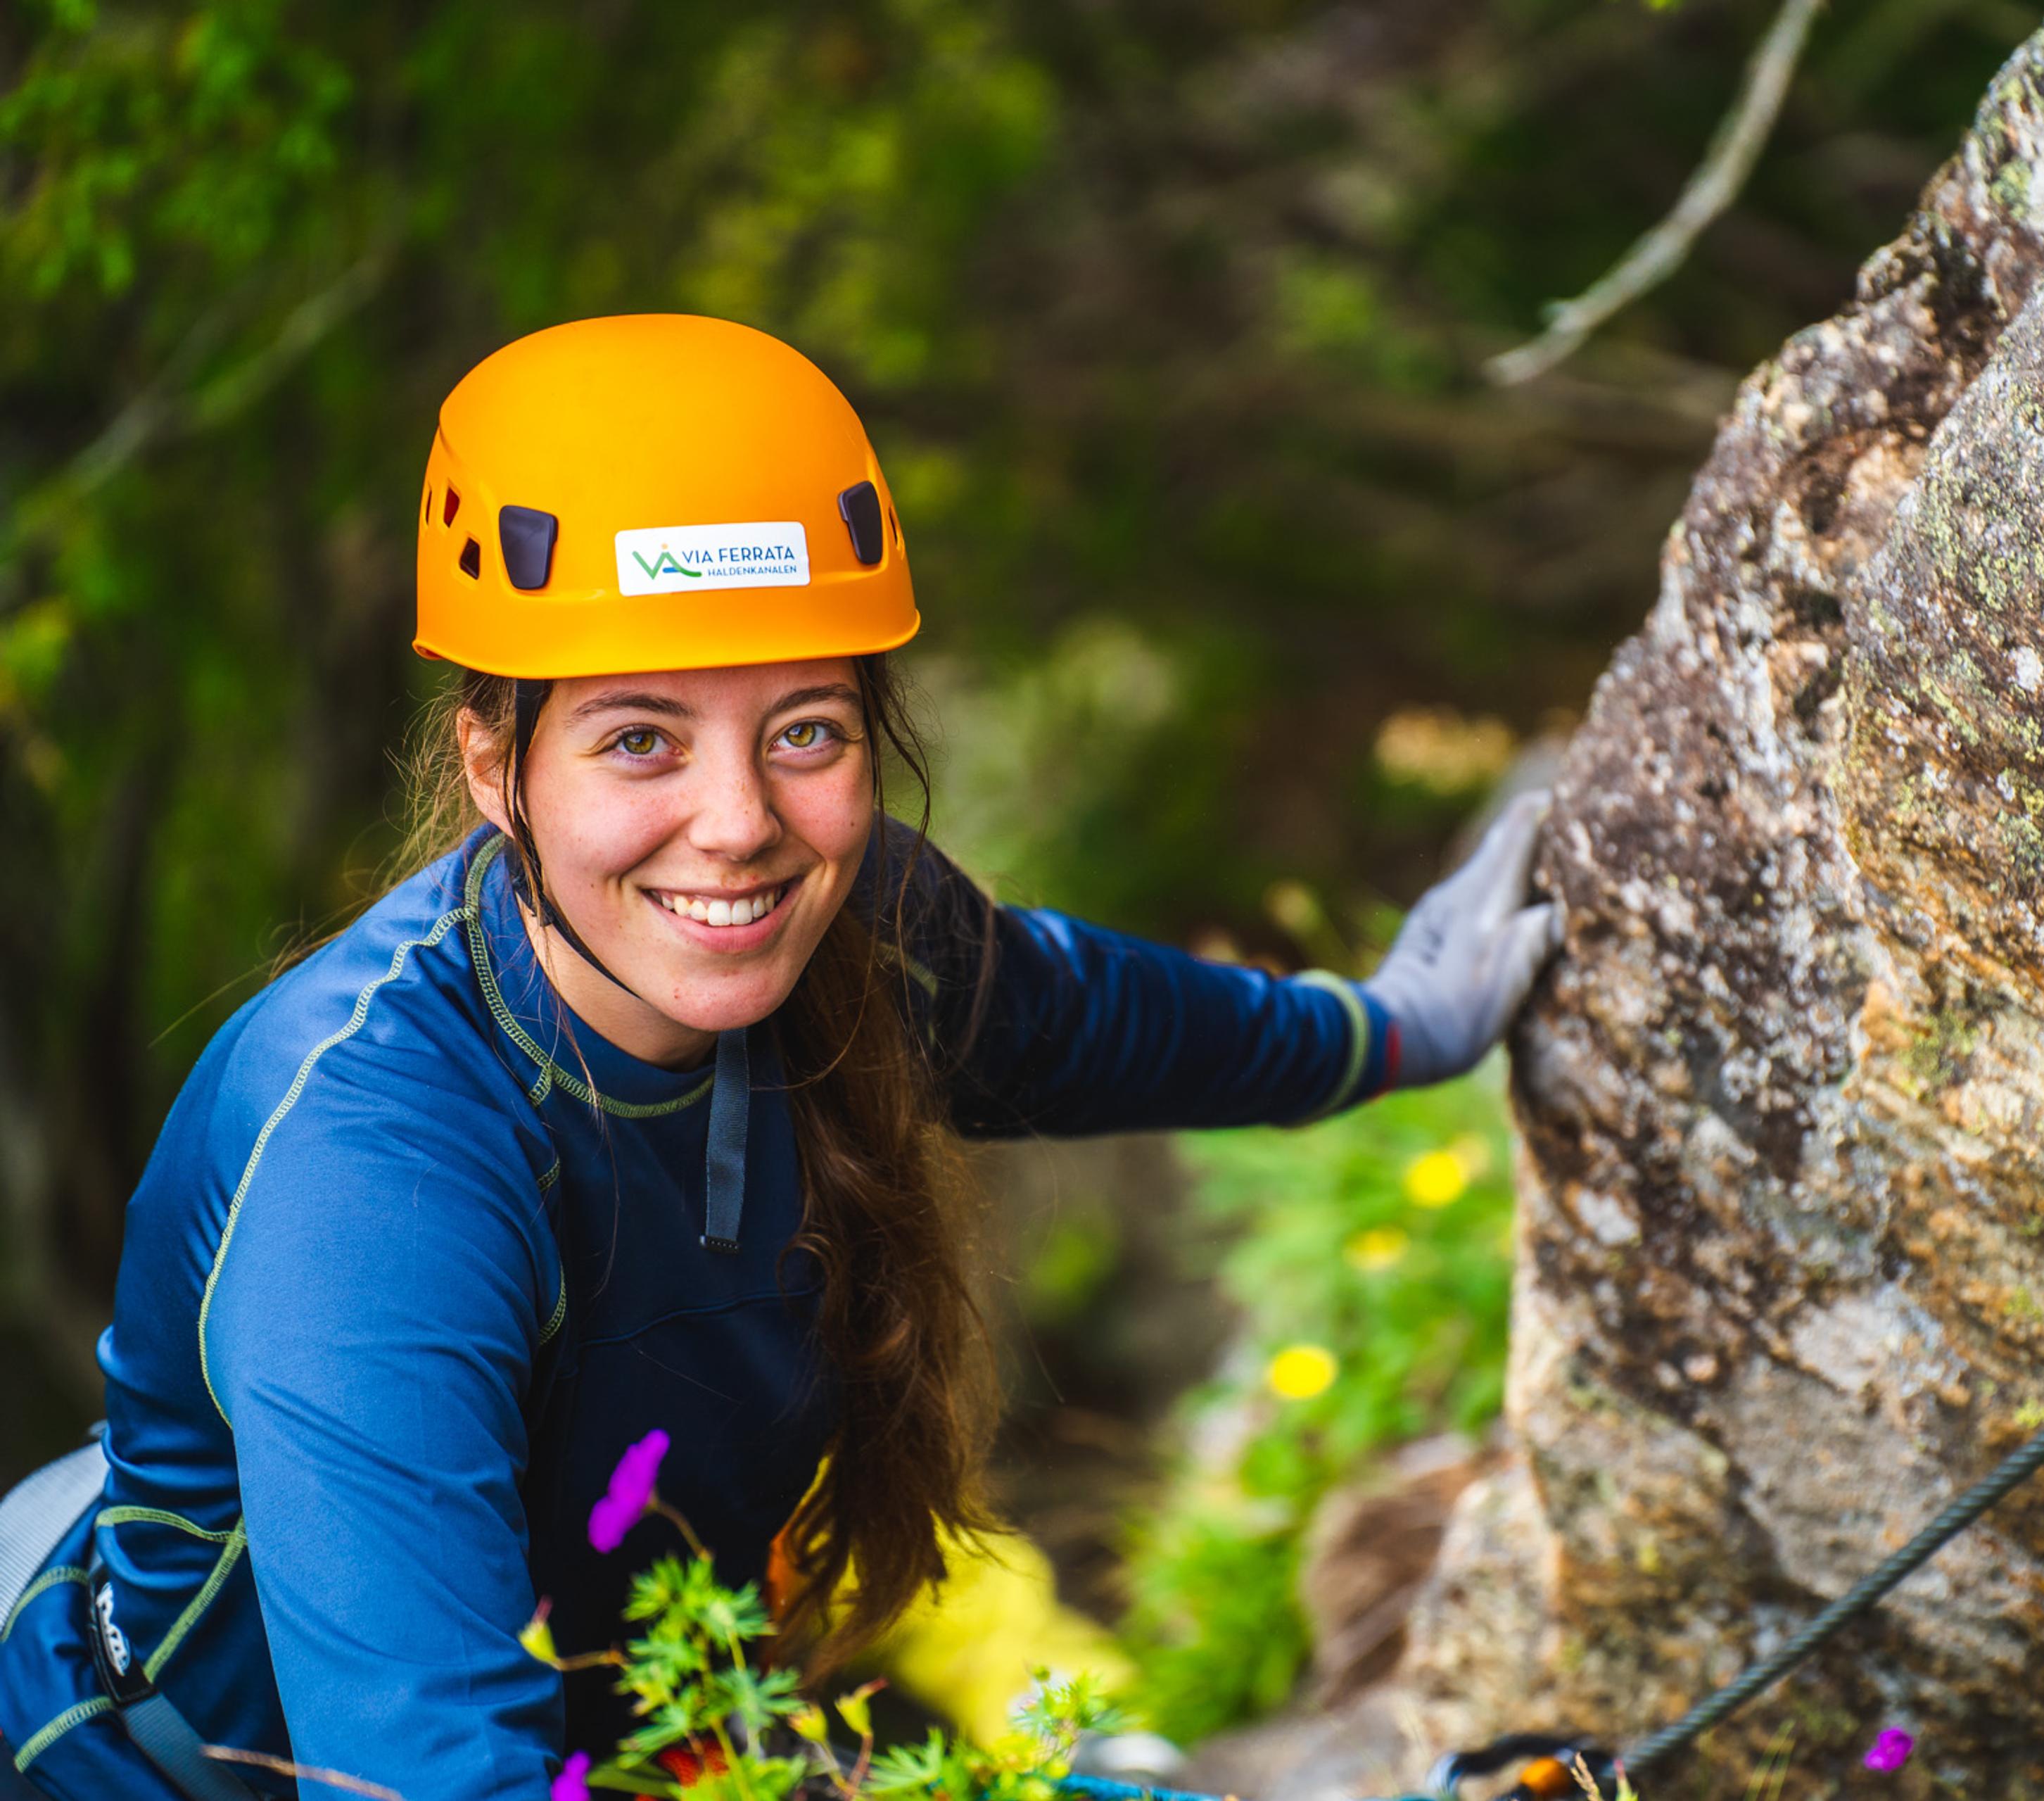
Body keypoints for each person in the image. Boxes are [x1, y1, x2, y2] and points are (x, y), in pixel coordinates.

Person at [0, 315, 1561, 1800]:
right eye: (639, 738)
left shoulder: (859, 935)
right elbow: (426, 1767)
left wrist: (1397, 1024)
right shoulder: (376, 1174)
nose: (740, 820)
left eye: (806, 727)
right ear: (494, 764)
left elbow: (1106, 1018)